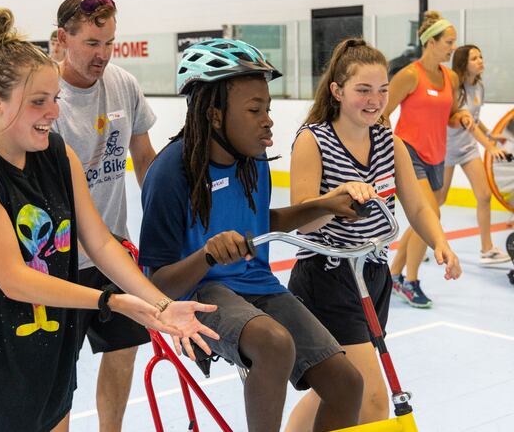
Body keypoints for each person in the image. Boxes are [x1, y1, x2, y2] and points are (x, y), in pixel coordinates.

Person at [0, 7, 218, 432]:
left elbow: (100, 243)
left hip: (47, 346)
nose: (53, 112)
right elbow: (14, 278)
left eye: (54, 99)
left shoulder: (55, 153)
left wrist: (159, 304)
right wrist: (112, 301)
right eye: (38, 102)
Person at [140, 38, 367, 432]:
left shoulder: (253, 160)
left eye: (268, 108)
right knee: (274, 343)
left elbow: (263, 221)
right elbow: (157, 283)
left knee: (348, 384)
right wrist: (207, 256)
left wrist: (324, 204)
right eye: (254, 110)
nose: (268, 120)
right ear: (214, 116)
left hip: (257, 285)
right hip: (198, 293)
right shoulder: (170, 172)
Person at [283, 38, 462, 431]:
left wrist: (440, 242)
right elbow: (303, 219)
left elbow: (417, 206)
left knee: (331, 388)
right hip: (328, 277)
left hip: (373, 276)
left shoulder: (389, 141)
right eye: (363, 90)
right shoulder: (313, 140)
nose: (375, 100)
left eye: (382, 90)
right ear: (337, 90)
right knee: (370, 394)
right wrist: (336, 197)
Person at [52, 0, 157, 431]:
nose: (103, 55)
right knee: (57, 377)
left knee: (122, 353)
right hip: (60, 265)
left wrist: (161, 232)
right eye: (93, 43)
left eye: (110, 42)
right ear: (62, 39)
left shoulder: (123, 85)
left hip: (115, 253)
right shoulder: (46, 98)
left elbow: (146, 161)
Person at [387, 11, 469, 308]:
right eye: (448, 42)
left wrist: (461, 118)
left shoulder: (452, 77)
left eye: (454, 42)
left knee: (423, 219)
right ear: (430, 42)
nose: (452, 47)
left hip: (437, 154)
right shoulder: (409, 75)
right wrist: (385, 151)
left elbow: (449, 115)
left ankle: (393, 273)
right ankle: (411, 281)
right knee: (431, 216)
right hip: (409, 152)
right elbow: (382, 115)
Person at [438, 44, 510, 264]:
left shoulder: (478, 87)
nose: (481, 61)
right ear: (463, 64)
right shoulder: (454, 89)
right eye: (475, 58)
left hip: (468, 149)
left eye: (481, 56)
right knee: (437, 201)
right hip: (446, 151)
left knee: (484, 196)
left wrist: (491, 135)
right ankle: (422, 244)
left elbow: (475, 119)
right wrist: (489, 147)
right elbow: (466, 123)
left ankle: (487, 249)